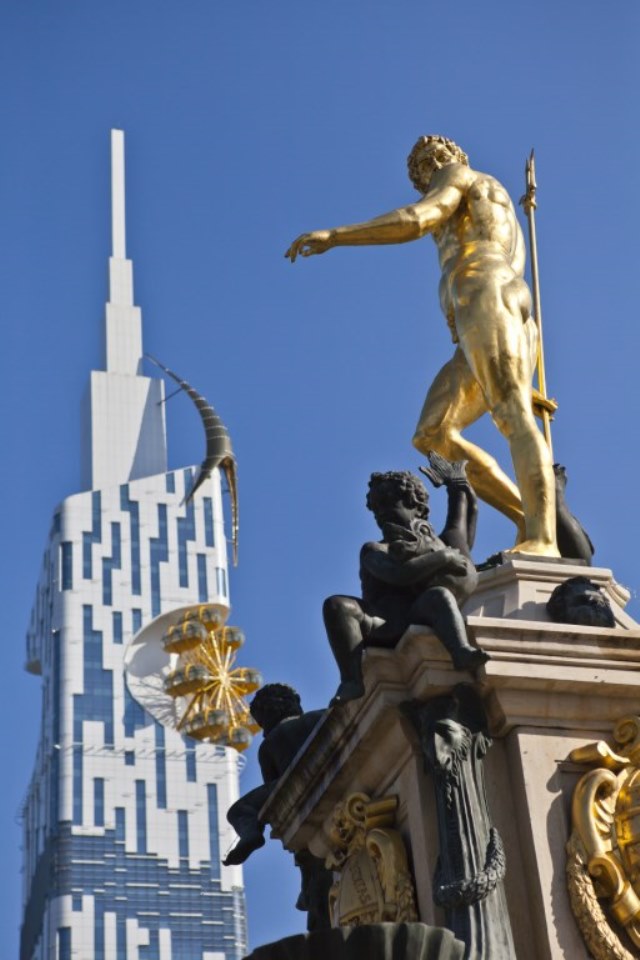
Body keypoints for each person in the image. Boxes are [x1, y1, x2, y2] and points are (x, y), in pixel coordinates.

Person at [286, 135, 558, 557]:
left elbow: (417, 219)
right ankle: (527, 516)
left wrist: (336, 236)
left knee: (511, 413)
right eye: (421, 166)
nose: (431, 166)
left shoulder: (461, 177)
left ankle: (544, 538)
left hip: (485, 291)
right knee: (432, 434)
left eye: (436, 158)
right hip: (483, 304)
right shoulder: (484, 197)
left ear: (455, 158)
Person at [323, 465, 487, 707]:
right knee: (337, 605)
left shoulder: (444, 542)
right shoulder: (375, 549)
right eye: (377, 507)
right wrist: (442, 559)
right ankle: (351, 680)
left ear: (416, 506)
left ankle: (460, 649)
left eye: (390, 502)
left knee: (439, 595)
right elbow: (400, 575)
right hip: (383, 622)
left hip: (420, 611)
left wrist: (457, 484)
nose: (381, 512)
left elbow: (463, 515)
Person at [223, 684, 331, 931]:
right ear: (295, 704)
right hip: (327, 772)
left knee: (239, 811)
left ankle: (251, 833)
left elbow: (275, 796)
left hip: (291, 786)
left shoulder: (269, 744)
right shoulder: (319, 717)